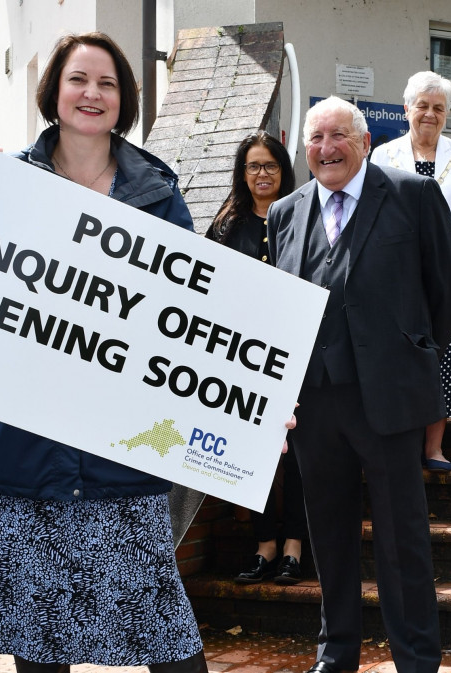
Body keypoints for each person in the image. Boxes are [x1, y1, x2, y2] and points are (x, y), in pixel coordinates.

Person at [0, 32, 232, 673]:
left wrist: (250, 406)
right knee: (40, 648)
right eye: (79, 79)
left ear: (124, 98)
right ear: (55, 91)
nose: (91, 94)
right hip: (21, 453)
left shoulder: (158, 194)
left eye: (107, 83)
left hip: (117, 454)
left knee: (170, 645)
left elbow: (195, 318)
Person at [267, 96, 451, 673]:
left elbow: (444, 292)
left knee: (404, 543)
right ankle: (336, 655)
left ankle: (417, 660)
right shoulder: (286, 212)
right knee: (328, 536)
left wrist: (408, 350)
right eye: (315, 139)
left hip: (390, 399)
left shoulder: (412, 195)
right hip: (314, 403)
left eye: (338, 137)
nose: (326, 149)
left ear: (365, 142)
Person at [370, 71, 451, 473]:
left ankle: (434, 447)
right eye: (422, 105)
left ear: (447, 113)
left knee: (445, 353)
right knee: (401, 356)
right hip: (399, 270)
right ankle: (404, 442)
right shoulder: (383, 156)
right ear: (406, 109)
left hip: (449, 271)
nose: (430, 113)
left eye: (438, 107)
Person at [205, 130, 306, 585]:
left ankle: (294, 547)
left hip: (299, 350)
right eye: (253, 166)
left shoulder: (307, 215)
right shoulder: (227, 224)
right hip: (242, 355)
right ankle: (264, 543)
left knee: (300, 451)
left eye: (270, 165)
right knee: (254, 451)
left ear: (283, 170)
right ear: (241, 174)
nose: (262, 174)